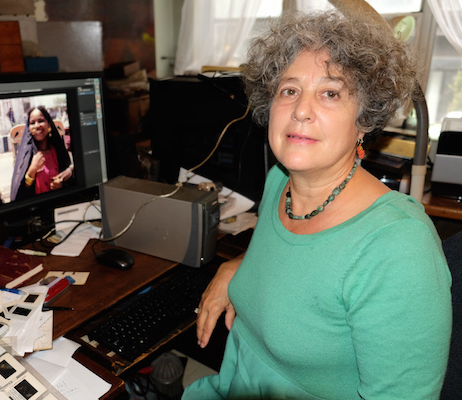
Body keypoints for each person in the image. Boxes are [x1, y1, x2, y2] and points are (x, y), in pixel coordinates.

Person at [183, 10, 452, 400]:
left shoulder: (398, 248)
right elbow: (299, 263)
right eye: (289, 90)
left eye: (330, 93)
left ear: (364, 119)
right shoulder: (281, 180)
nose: (301, 110)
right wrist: (237, 267)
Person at [10, 106, 74, 201]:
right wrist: (32, 170)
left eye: (40, 121)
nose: (37, 126)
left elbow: (70, 178)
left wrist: (62, 184)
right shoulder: (26, 156)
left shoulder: (57, 151)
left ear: (49, 125)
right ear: (29, 128)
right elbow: (19, 194)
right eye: (32, 123)